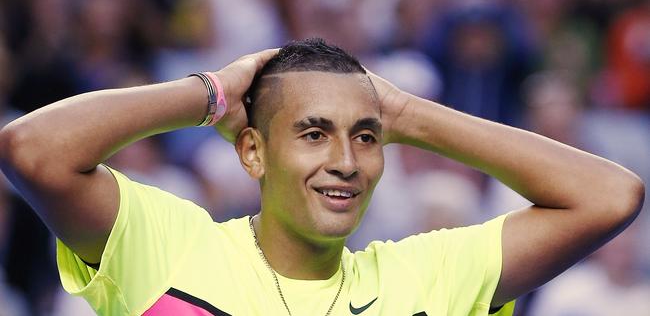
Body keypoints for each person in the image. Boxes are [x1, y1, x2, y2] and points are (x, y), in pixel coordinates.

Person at [0, 39, 644, 315]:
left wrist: (408, 114)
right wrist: (214, 93)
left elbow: (612, 195)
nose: (345, 160)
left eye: (366, 137)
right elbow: (31, 150)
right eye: (313, 133)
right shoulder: (169, 243)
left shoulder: (425, 276)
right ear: (252, 153)